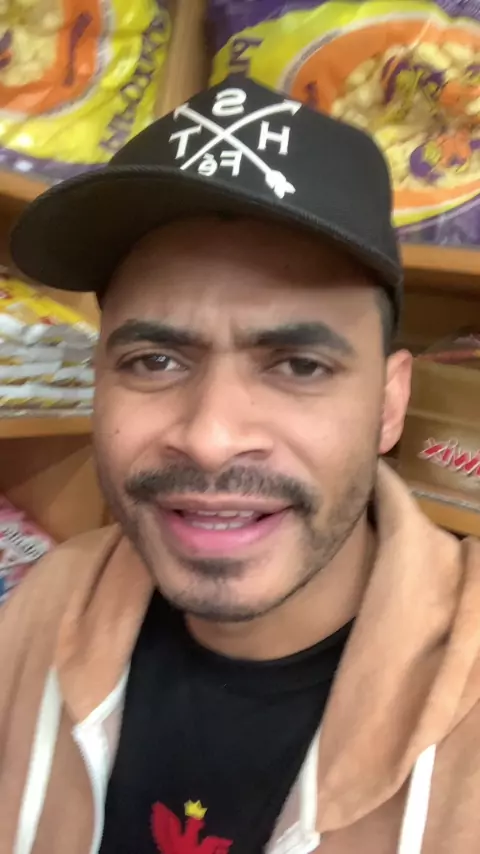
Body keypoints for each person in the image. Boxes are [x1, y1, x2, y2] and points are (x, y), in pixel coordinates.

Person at [1, 76, 480, 854]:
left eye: (299, 365)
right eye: (154, 360)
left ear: (390, 405)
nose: (211, 438)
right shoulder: (48, 603)